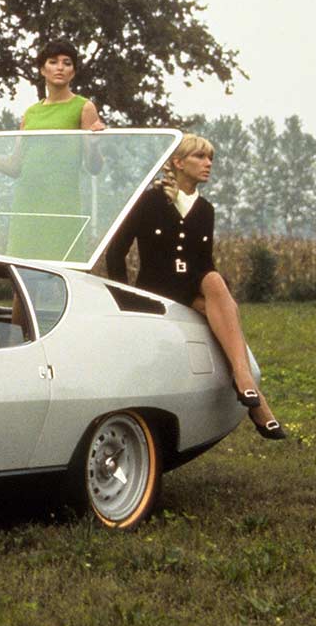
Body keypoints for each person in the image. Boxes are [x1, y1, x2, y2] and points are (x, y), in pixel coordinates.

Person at [105, 133, 286, 438]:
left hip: (190, 288)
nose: (208, 163)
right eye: (200, 157)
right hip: (155, 289)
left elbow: (204, 263)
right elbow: (115, 253)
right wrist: (124, 298)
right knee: (225, 317)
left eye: (210, 157)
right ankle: (253, 394)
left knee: (214, 284)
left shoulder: (206, 210)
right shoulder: (148, 201)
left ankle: (245, 382)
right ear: (178, 162)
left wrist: (217, 292)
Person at [0, 40, 104, 260]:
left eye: (67, 63)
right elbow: (14, 167)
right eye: (53, 62)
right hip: (27, 206)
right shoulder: (30, 114)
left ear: (73, 72)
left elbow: (94, 167)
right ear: (43, 69)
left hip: (62, 207)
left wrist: (94, 144)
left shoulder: (84, 107)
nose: (60, 67)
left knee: (61, 270)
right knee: (21, 272)